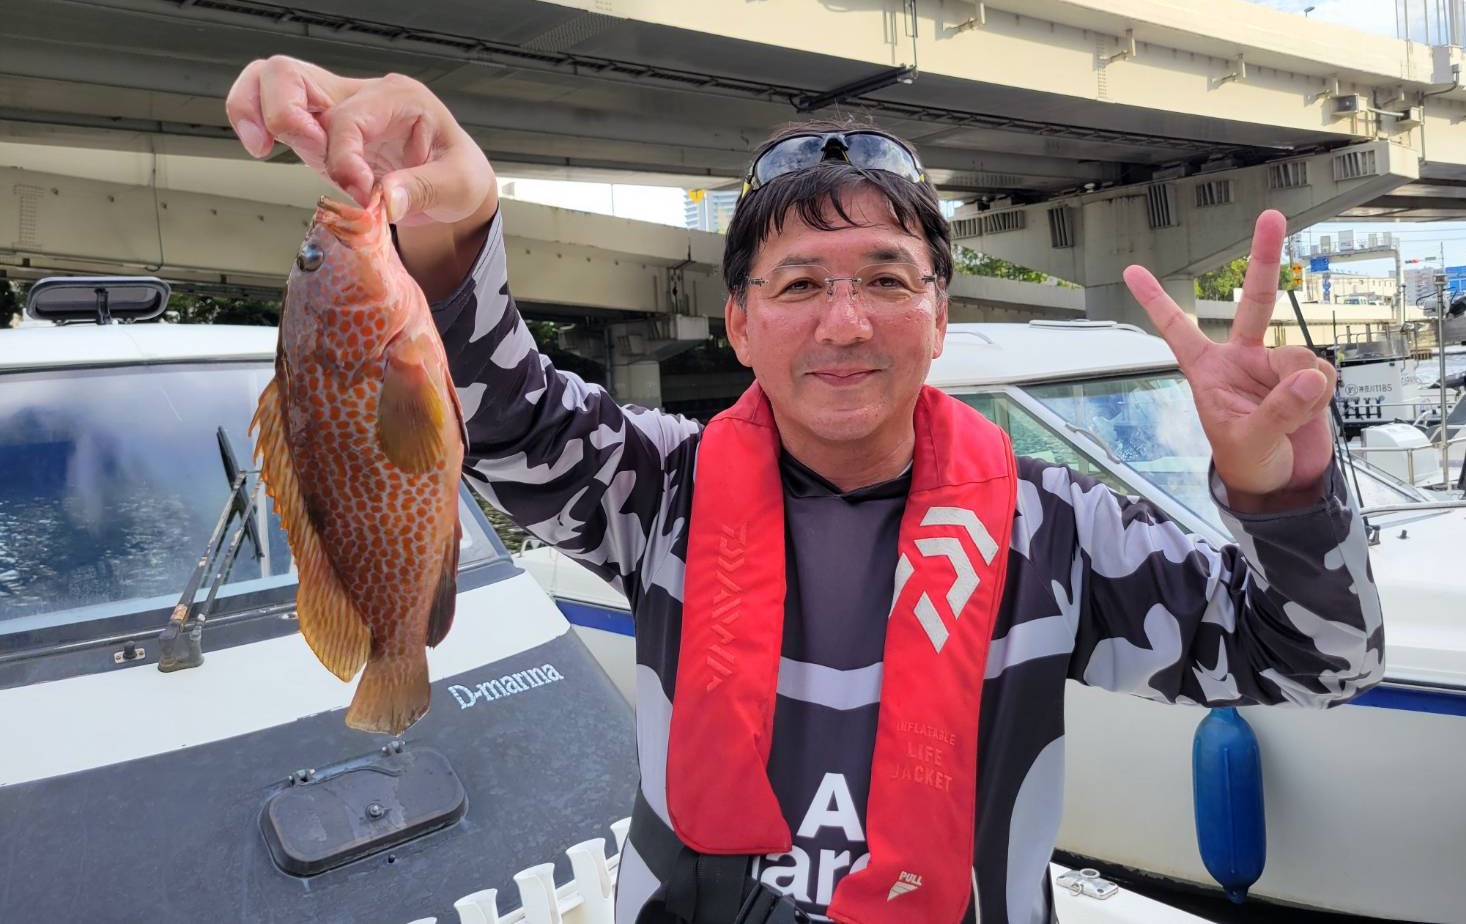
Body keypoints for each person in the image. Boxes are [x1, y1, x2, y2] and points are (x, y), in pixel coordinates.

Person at [227, 58, 1383, 924]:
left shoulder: (1058, 532)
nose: (843, 322)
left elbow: (1313, 660)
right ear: (736, 324)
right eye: (796, 285)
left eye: (886, 277)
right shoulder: (656, 492)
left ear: (939, 314)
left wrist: (1281, 495)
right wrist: (458, 218)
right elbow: (499, 413)